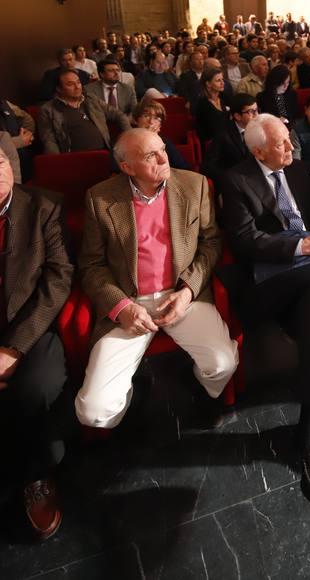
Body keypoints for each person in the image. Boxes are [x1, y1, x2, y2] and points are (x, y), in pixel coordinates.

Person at [220, 115, 310, 506]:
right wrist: (302, 247)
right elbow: (245, 240)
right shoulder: (236, 179)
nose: (291, 148)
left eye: (289, 140)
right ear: (258, 150)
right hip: (273, 276)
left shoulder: (296, 169)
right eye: (281, 143)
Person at [75, 128, 238, 430]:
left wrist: (188, 291)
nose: (164, 158)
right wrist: (122, 307)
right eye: (151, 155)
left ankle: (199, 386)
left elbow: (212, 243)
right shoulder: (100, 197)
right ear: (127, 167)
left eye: (163, 148)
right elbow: (91, 264)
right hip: (129, 303)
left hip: (181, 296)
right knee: (93, 412)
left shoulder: (194, 185)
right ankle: (132, 396)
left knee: (222, 364)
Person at [0, 150, 73, 539]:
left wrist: (13, 348)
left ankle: (37, 476)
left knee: (35, 387)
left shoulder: (44, 205)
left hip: (30, 326)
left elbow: (58, 280)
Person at [38, 69, 130, 153]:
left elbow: (118, 115)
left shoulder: (91, 99)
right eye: (70, 84)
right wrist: (58, 161)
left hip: (104, 153)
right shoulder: (48, 109)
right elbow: (49, 141)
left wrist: (128, 135)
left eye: (78, 82)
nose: (77, 87)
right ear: (59, 89)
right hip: (76, 157)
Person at [201, 93, 258, 189]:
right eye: (251, 111)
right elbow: (208, 165)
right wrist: (230, 179)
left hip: (257, 180)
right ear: (237, 116)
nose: (256, 115)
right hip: (234, 183)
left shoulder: (261, 129)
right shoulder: (223, 133)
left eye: (256, 110)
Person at [130, 100, 191, 170]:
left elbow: (184, 168)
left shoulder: (165, 143)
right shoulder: (128, 142)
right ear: (136, 120)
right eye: (146, 116)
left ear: (160, 125)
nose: (151, 122)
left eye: (156, 118)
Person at [194, 65, 231, 144]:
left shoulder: (223, 98)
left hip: (225, 139)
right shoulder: (203, 104)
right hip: (212, 142)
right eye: (218, 81)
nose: (223, 83)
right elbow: (210, 130)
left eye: (222, 79)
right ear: (208, 84)